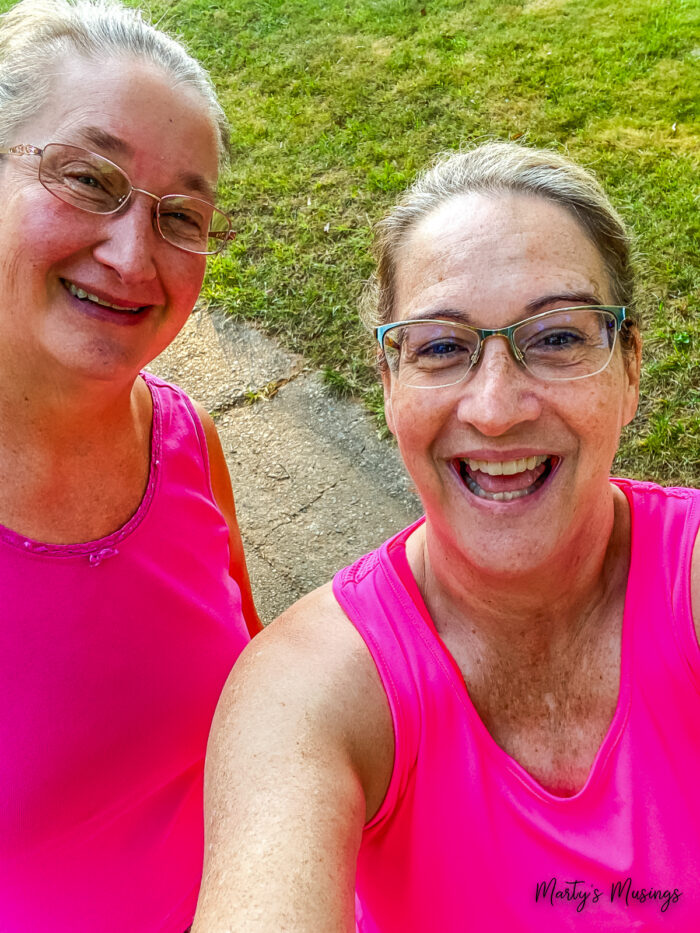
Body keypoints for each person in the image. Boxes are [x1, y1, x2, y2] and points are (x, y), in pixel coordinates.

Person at [193, 141, 700, 931]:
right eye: (440, 347)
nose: (495, 408)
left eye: (559, 337)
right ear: (390, 385)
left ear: (631, 368)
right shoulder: (309, 693)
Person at [0, 0, 262, 929]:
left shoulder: (188, 441)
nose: (131, 253)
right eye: (88, 177)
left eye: (181, 215)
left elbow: (261, 699)